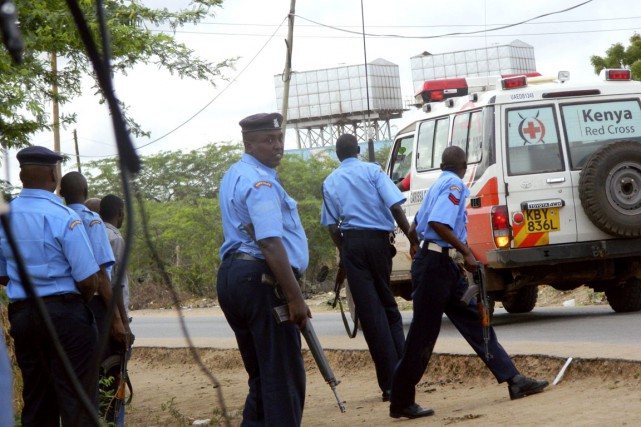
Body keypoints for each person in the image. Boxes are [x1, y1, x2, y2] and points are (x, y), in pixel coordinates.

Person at [389, 146, 549, 419]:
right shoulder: (454, 184)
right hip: (437, 267)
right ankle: (401, 400)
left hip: (439, 265)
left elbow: (416, 227)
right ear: (463, 166)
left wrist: (421, 248)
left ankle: (513, 380)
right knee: (422, 335)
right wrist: (465, 252)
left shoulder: (436, 184)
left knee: (477, 323)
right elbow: (440, 223)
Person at [217, 112, 310, 426]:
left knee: (262, 376)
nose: (277, 145)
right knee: (282, 378)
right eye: (268, 140)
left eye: (279, 138)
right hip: (260, 280)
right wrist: (296, 298)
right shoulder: (259, 182)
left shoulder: (235, 173)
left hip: (235, 276)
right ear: (249, 143)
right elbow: (270, 242)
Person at [0, 146, 101, 426]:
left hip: (24, 317)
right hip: (64, 315)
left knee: (37, 400)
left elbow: (3, 274)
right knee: (77, 401)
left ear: (21, 175)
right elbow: (88, 279)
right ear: (53, 173)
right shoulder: (64, 216)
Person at [320, 133, 419, 402]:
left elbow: (331, 225)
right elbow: (396, 208)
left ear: (338, 155)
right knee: (388, 306)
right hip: (378, 244)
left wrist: (345, 251)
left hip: (352, 244)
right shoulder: (373, 171)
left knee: (371, 315)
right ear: (359, 149)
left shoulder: (330, 181)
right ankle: (404, 378)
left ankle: (389, 385)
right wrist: (413, 240)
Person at [60, 172, 127, 349]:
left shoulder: (56, 217)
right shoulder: (92, 221)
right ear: (86, 190)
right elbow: (103, 275)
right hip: (94, 302)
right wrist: (118, 320)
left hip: (58, 304)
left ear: (61, 192)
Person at [100, 194, 133, 427]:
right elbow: (116, 284)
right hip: (114, 319)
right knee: (116, 375)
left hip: (97, 316)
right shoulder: (114, 237)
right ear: (120, 212)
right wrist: (123, 322)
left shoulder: (92, 232)